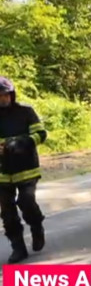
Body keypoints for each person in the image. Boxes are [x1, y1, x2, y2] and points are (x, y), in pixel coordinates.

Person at [0, 76, 47, 264]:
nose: (3, 99)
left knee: (26, 201)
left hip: (26, 167)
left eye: (5, 95)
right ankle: (18, 247)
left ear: (12, 94)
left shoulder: (25, 112)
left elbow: (40, 134)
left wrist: (21, 142)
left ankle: (36, 225)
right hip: (3, 171)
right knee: (7, 211)